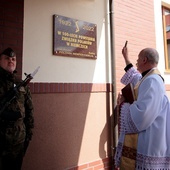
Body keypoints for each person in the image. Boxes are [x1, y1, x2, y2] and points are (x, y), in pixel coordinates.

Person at [114, 45, 170, 169]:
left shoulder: (152, 81)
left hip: (150, 138)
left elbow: (142, 115)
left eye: (138, 59)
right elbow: (136, 78)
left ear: (144, 60)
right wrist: (126, 58)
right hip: (149, 136)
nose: (136, 61)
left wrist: (124, 104)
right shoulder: (148, 78)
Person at [0, 47, 34, 170]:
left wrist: (29, 134)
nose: (11, 61)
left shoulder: (21, 84)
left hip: (18, 142)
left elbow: (29, 110)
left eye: (13, 59)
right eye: (7, 58)